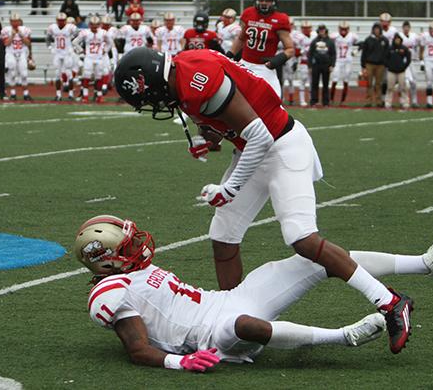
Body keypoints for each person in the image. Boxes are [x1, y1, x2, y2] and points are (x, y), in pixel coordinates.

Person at [114, 47, 416, 354]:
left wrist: (230, 188)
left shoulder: (196, 80)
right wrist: (207, 140)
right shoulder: (181, 79)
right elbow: (225, 126)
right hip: (254, 150)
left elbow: (259, 136)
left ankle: (390, 302)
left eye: (149, 97)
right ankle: (231, 310)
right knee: (223, 236)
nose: (154, 104)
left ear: (148, 80)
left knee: (301, 237)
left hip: (283, 145)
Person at [77, 215, 433, 370]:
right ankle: (345, 338)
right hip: (212, 336)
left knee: (312, 260)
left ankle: (426, 264)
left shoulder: (132, 271)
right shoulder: (112, 291)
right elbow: (136, 348)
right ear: (106, 263)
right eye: (127, 247)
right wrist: (180, 363)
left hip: (223, 300)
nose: (139, 247)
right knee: (242, 325)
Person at [230, 0, 295, 97]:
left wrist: (276, 60)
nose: (264, 3)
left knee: (275, 100)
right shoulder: (248, 13)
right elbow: (241, 39)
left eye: (268, 0)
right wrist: (230, 54)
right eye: (261, 0)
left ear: (274, 2)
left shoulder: (280, 19)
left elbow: (290, 49)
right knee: (234, 98)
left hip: (265, 66)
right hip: (245, 64)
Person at [73, 16, 117, 103]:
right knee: (86, 76)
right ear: (89, 25)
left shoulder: (103, 33)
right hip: (89, 58)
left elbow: (110, 43)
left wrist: (105, 50)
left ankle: (99, 96)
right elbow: (75, 42)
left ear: (99, 25)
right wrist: (82, 50)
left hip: (99, 58)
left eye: (96, 25)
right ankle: (85, 96)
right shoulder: (85, 32)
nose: (94, 27)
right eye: (93, 25)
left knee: (99, 77)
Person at [1, 13, 34, 100]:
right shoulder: (6, 30)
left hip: (22, 53)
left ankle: (26, 94)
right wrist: (12, 35)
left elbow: (28, 43)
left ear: (19, 21)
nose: (15, 23)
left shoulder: (25, 30)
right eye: (13, 21)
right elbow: (6, 43)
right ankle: (13, 94)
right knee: (12, 73)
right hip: (11, 53)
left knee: (24, 74)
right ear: (10, 22)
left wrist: (21, 35)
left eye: (16, 21)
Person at [46, 12, 77, 101]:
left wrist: (74, 44)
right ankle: (58, 95)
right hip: (57, 53)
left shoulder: (70, 27)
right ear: (56, 20)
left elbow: (79, 34)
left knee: (69, 74)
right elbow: (47, 38)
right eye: (59, 20)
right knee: (57, 74)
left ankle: (71, 94)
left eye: (62, 20)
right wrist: (50, 47)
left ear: (65, 21)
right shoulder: (53, 28)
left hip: (67, 53)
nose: (61, 22)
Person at [360, 23, 389, 107]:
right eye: (375, 29)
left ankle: (378, 100)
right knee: (369, 83)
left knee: (378, 84)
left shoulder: (384, 40)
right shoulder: (368, 40)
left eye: (378, 29)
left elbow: (386, 53)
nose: (376, 31)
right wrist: (363, 65)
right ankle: (368, 100)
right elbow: (364, 53)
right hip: (369, 63)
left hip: (380, 65)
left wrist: (385, 63)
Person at [330, 21, 358, 105]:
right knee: (334, 79)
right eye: (342, 29)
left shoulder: (352, 36)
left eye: (345, 29)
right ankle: (331, 99)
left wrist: (355, 51)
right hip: (338, 60)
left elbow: (358, 45)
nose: (343, 31)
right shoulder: (334, 36)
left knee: (346, 80)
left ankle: (342, 101)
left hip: (348, 61)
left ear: (348, 29)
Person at [308, 24, 336, 107]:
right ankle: (313, 101)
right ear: (318, 31)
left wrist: (332, 65)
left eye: (323, 30)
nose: (321, 32)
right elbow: (310, 54)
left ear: (325, 30)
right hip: (316, 65)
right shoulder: (314, 41)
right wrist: (309, 66)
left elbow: (333, 54)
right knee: (314, 84)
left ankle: (326, 102)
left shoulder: (330, 42)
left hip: (326, 65)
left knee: (325, 84)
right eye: (320, 30)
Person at [385, 33, 412, 109]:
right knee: (390, 87)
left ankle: (405, 101)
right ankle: (388, 101)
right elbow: (385, 58)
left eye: (398, 39)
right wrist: (388, 65)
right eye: (396, 39)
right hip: (391, 71)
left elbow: (408, 58)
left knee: (403, 87)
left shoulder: (404, 48)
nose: (397, 41)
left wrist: (404, 66)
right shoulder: (390, 48)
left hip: (401, 71)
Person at [400, 21, 419, 107]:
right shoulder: (399, 36)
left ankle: (414, 100)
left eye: (407, 27)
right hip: (403, 61)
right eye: (405, 27)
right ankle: (404, 100)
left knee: (414, 82)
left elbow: (419, 46)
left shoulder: (414, 36)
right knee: (405, 82)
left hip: (412, 61)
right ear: (402, 28)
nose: (406, 29)